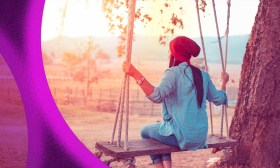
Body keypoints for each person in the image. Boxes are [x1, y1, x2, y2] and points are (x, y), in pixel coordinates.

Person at [122, 36, 229, 168]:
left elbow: (157, 96)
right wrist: (223, 82)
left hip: (183, 136)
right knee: (162, 127)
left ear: (174, 54)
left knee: (145, 131)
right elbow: (219, 98)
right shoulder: (203, 75)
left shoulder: (173, 73)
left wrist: (134, 73)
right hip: (200, 137)